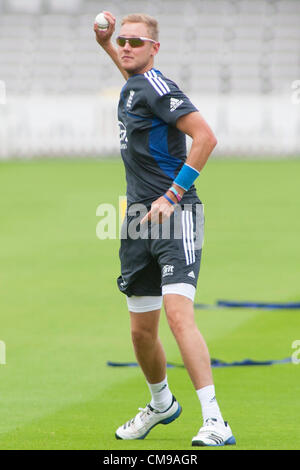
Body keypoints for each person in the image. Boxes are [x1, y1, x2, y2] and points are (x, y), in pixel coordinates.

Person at [94, 12, 236, 447]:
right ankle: (160, 405)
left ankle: (215, 421)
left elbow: (206, 138)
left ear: (154, 49)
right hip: (137, 220)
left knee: (178, 315)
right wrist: (104, 46)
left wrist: (173, 195)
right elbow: (137, 84)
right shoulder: (135, 86)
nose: (126, 46)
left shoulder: (158, 85)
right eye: (122, 40)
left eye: (136, 41)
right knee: (140, 331)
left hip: (175, 214)